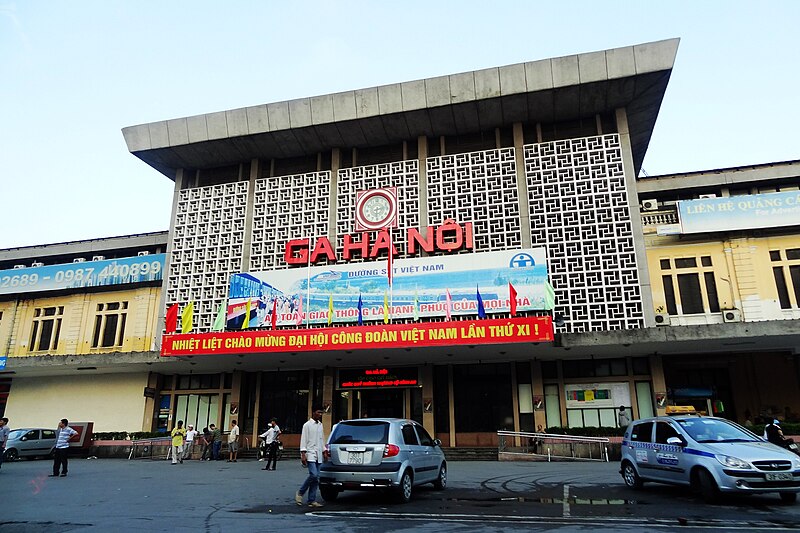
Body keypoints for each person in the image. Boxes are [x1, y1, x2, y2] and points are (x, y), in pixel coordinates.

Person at [296, 407, 328, 508]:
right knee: (313, 475)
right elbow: (303, 439)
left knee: (316, 478)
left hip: (319, 453)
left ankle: (311, 500)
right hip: (310, 453)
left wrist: (324, 451)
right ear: (313, 412)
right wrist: (303, 454)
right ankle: (300, 492)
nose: (320, 414)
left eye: (321, 413)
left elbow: (321, 439)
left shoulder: (320, 425)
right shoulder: (307, 425)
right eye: (319, 412)